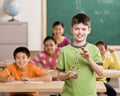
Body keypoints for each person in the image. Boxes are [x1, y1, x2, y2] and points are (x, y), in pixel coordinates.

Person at [56, 13, 104, 96]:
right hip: (69, 94)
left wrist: (89, 59)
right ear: (71, 29)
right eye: (77, 29)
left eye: (83, 29)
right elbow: (60, 76)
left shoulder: (94, 49)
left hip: (89, 94)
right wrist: (68, 74)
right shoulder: (64, 50)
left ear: (89, 30)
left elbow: (101, 73)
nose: (80, 32)